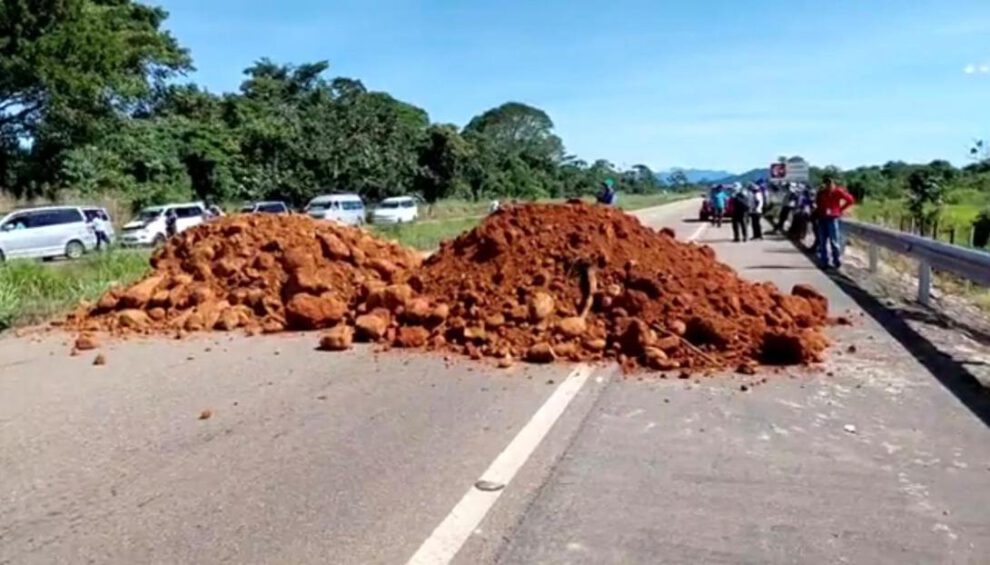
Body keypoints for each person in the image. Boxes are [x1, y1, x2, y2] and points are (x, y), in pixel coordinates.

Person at [815, 177, 856, 268]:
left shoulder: (838, 191)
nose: (828, 186)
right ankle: (824, 261)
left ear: (833, 184)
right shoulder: (822, 192)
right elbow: (817, 203)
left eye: (830, 184)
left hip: (832, 218)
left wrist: (840, 209)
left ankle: (836, 260)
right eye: (827, 184)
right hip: (822, 218)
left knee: (834, 241)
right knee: (822, 241)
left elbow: (850, 200)